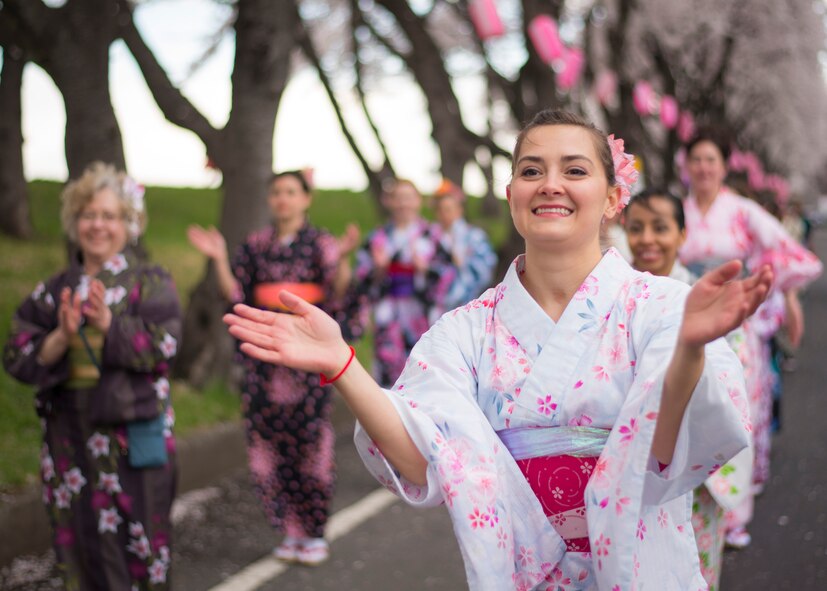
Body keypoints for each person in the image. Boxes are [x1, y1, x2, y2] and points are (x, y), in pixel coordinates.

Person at [223, 110, 771, 590]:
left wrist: (689, 353)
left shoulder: (662, 307)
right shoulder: (464, 331)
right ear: (511, 195)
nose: (550, 184)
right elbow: (422, 457)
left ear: (611, 198)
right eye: (531, 170)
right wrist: (343, 366)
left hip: (641, 572)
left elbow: (669, 446)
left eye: (575, 170)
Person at [3, 162, 180, 590]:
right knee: (78, 542)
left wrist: (109, 325)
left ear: (129, 224)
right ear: (74, 221)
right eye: (88, 215)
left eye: (109, 215)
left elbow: (166, 345)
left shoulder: (150, 282)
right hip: (70, 437)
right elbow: (16, 354)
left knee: (143, 542)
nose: (97, 225)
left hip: (133, 435)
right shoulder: (54, 289)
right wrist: (62, 337)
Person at [187, 170, 362, 565]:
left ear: (305, 199)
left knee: (311, 444)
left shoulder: (320, 243)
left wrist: (345, 257)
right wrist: (217, 258)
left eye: (290, 192)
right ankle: (288, 528)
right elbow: (236, 293)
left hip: (306, 356)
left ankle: (313, 531)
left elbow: (339, 292)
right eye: (276, 193)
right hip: (265, 357)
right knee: (266, 446)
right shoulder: (255, 245)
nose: (282, 199)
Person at [678, 130, 822, 547]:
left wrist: (777, 294)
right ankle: (688, 503)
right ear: (685, 165)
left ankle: (734, 513)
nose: (704, 168)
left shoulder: (742, 212)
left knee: (738, 408)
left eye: (711, 160)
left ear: (724, 166)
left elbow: (786, 250)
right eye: (697, 159)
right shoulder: (679, 210)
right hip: (682, 318)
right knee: (686, 408)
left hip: (735, 325)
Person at [624, 188, 753, 591]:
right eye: (636, 228)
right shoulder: (614, 297)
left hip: (696, 473)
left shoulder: (707, 299)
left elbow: (736, 380)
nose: (647, 239)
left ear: (682, 235)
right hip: (628, 467)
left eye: (660, 227)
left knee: (694, 574)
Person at [352, 179, 451, 386]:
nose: (403, 203)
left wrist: (426, 269)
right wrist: (378, 269)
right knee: (388, 370)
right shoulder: (377, 238)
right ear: (388, 201)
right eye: (397, 198)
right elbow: (361, 276)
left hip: (422, 314)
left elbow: (449, 273)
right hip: (388, 312)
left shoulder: (433, 235)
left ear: (418, 201)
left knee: (424, 366)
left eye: (408, 198)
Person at [429, 178, 498, 321]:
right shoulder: (430, 236)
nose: (444, 214)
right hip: (436, 305)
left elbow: (486, 268)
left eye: (448, 209)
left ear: (459, 210)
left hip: (467, 303)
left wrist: (463, 264)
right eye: (440, 210)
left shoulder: (474, 237)